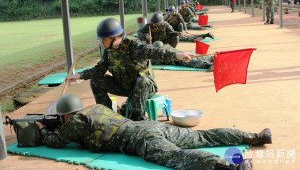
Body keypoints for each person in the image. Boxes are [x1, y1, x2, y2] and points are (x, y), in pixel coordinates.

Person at [36, 94, 272, 170]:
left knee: (179, 157)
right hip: (148, 126)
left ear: (66, 115)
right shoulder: (96, 107)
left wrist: (42, 130)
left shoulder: (75, 121)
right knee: (203, 136)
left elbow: (57, 142)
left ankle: (232, 168)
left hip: (139, 140)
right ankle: (256, 137)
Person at [66, 18, 193, 121]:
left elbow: (155, 52)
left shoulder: (133, 45)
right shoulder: (108, 51)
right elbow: (99, 69)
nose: (101, 42)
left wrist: (177, 55)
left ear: (114, 38)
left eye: (103, 39)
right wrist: (79, 75)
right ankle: (107, 115)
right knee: (95, 80)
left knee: (142, 80)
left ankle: (136, 117)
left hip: (145, 87)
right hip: (124, 86)